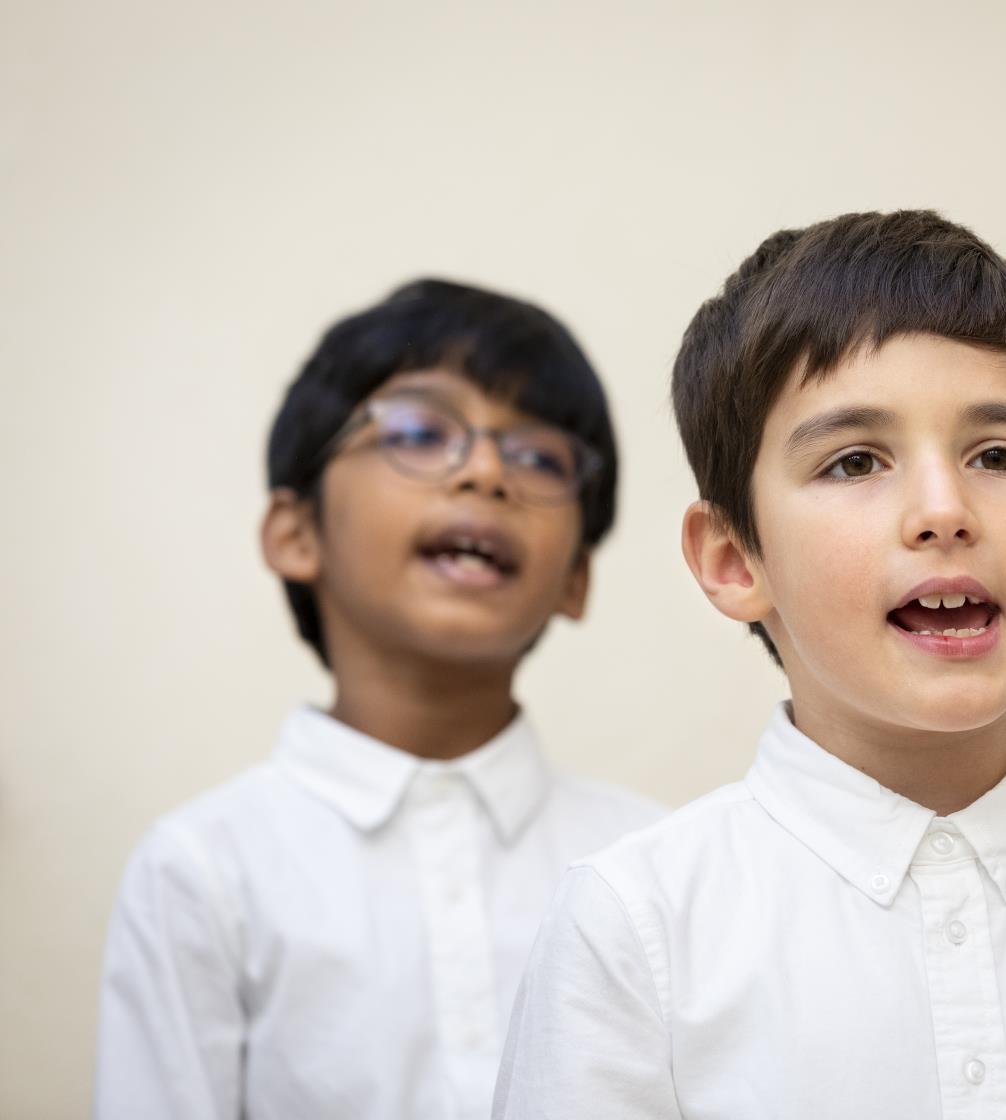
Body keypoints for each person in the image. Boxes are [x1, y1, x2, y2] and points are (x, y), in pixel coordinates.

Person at [494, 211, 1006, 1118]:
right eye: (854, 462)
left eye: (999, 455)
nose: (943, 510)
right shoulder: (636, 931)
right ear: (734, 560)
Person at [95, 278, 664, 1120]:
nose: (484, 473)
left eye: (540, 457)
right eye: (419, 432)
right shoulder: (205, 872)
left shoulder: (652, 863)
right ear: (296, 534)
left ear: (576, 578)